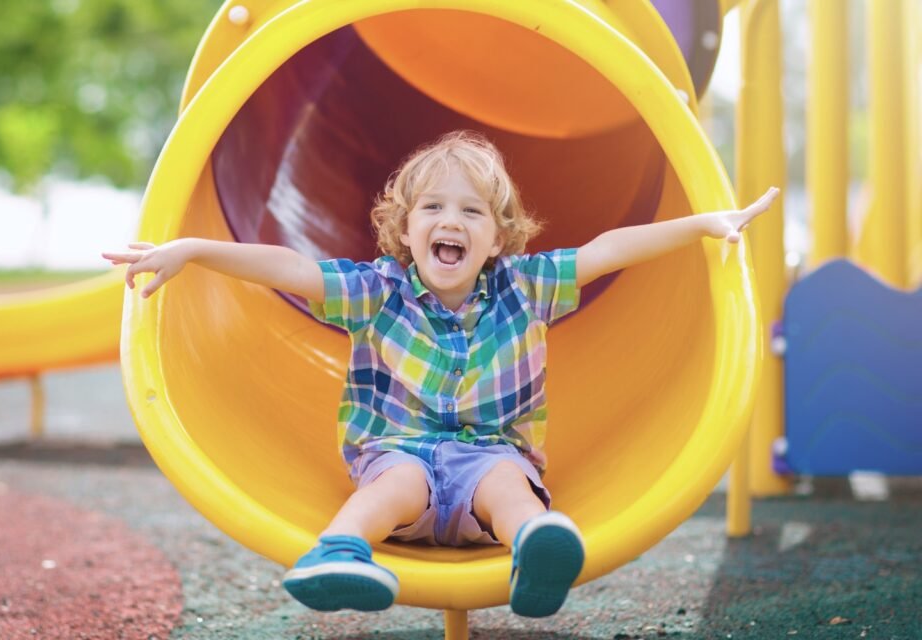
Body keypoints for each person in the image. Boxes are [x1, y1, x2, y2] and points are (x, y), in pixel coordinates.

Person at [103, 131, 778, 618]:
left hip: (489, 458)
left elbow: (608, 251)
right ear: (404, 228)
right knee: (396, 478)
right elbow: (288, 267)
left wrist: (701, 224)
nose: (449, 222)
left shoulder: (526, 285)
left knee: (509, 483)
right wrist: (191, 249)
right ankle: (337, 552)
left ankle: (535, 549)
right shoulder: (377, 289)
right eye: (432, 208)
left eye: (471, 212)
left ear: (498, 238)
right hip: (401, 459)